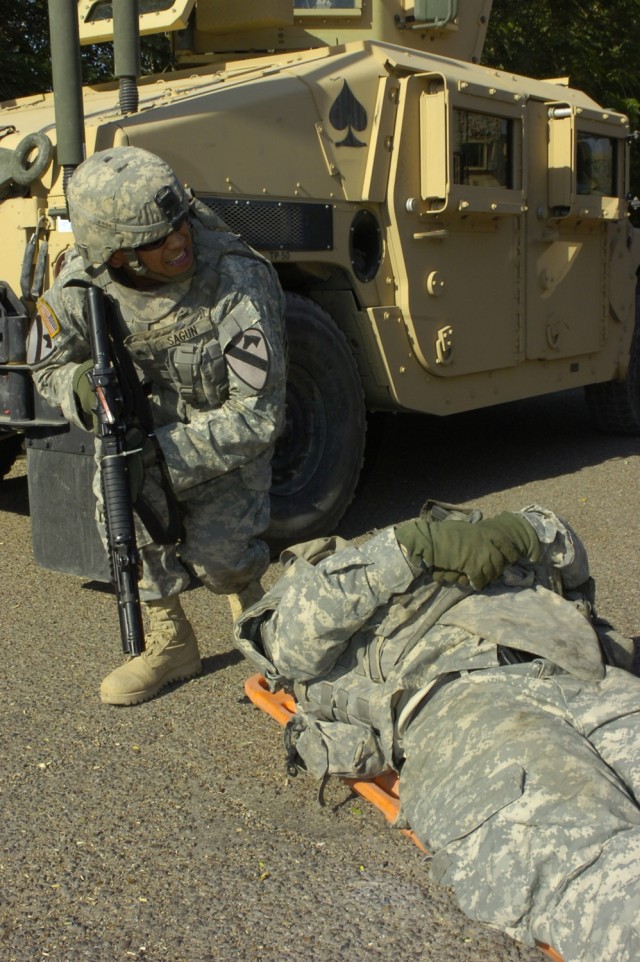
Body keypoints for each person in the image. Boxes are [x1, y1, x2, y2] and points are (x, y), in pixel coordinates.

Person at [234, 500, 640, 962]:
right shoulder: (323, 596)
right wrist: (407, 551)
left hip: (582, 677)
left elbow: (566, 552)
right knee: (603, 871)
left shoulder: (466, 543)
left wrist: (515, 532)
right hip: (463, 710)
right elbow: (292, 646)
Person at [30, 146, 287, 706]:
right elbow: (45, 362)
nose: (179, 241)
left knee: (220, 562)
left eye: (179, 223)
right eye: (157, 238)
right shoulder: (83, 287)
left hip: (225, 438)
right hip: (140, 436)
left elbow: (259, 415)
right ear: (116, 256)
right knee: (119, 499)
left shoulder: (236, 279)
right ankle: (172, 642)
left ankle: (255, 615)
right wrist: (82, 391)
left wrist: (160, 453)